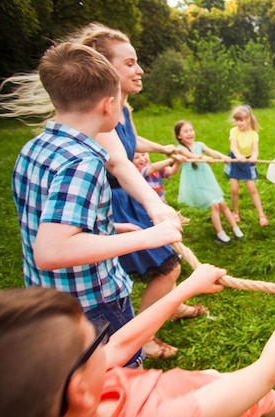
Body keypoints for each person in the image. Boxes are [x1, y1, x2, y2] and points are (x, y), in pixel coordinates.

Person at [10, 42, 182, 368]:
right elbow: (51, 252)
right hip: (93, 302)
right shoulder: (83, 162)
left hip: (50, 298)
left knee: (80, 378)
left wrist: (109, 229)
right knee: (119, 376)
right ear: (108, 104)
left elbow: (44, 220)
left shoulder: (35, 148)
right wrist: (150, 236)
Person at [62, 23, 206, 360]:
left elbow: (131, 144)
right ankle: (143, 335)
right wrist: (156, 207)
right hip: (113, 204)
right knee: (168, 266)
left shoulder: (122, 109)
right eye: (129, 64)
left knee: (162, 267)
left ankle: (165, 308)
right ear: (102, 68)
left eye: (136, 62)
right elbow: (119, 164)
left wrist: (164, 148)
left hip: (129, 200)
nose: (139, 70)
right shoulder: (102, 112)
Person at [0, 264, 275, 417]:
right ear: (78, 390)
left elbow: (122, 345)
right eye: (93, 339)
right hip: (227, 404)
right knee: (265, 400)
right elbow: (266, 372)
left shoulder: (71, 384)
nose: (103, 341)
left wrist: (185, 288)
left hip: (198, 386)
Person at [175, 120, 245, 243]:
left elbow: (212, 152)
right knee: (214, 205)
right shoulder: (179, 148)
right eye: (186, 131)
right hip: (195, 183)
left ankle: (236, 228)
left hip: (207, 179)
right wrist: (203, 158)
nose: (190, 133)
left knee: (222, 204)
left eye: (191, 130)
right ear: (179, 136)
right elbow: (191, 156)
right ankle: (220, 234)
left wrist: (223, 157)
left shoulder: (199, 145)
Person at [224, 105, 269, 227]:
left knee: (252, 189)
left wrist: (254, 156)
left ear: (248, 119)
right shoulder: (233, 131)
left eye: (241, 120)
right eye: (237, 120)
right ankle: (235, 212)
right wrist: (238, 156)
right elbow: (233, 146)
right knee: (234, 189)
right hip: (235, 160)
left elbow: (255, 149)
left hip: (248, 162)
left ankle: (261, 215)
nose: (238, 123)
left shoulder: (254, 134)